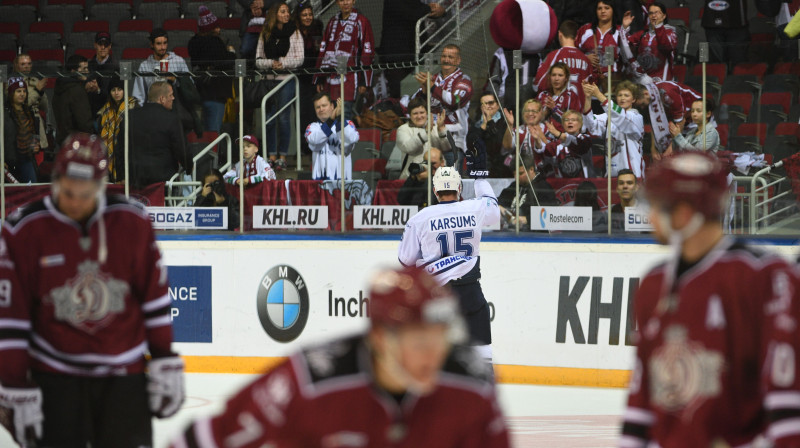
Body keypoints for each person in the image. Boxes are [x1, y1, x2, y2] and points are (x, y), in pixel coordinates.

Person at [170, 265, 509, 448]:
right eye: (419, 343)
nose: (434, 356)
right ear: (379, 338)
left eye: (441, 340)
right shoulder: (309, 380)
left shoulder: (473, 387)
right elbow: (208, 437)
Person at [0, 133, 184, 448]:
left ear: (102, 186)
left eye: (86, 195)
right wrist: (14, 384)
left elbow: (154, 301)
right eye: (69, 193)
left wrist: (165, 357)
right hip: (54, 380)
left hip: (124, 378)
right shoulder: (22, 231)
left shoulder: (133, 223)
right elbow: (12, 320)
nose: (75, 203)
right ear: (55, 180)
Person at [619, 151, 800, 446]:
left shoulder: (762, 276)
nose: (649, 216)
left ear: (685, 213)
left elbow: (787, 405)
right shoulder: (652, 284)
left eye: (657, 206)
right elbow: (642, 401)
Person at [398, 139, 500, 362]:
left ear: (435, 190)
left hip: (438, 295)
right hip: (471, 293)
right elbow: (494, 211)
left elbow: (405, 260)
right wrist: (480, 177)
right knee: (483, 358)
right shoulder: (474, 208)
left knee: (437, 359)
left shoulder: (419, 219)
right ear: (460, 188)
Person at [256, 1, 304, 171]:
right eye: (282, 11)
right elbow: (258, 60)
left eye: (287, 12)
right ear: (274, 14)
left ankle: (282, 157)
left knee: (283, 118)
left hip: (287, 80)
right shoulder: (265, 33)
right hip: (269, 81)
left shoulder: (295, 32)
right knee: (269, 119)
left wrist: (282, 63)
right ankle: (271, 155)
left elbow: (300, 59)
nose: (286, 14)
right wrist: (271, 63)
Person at [119, 81, 191, 188]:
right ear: (162, 99)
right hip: (163, 183)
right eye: (170, 95)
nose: (173, 98)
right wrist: (188, 166)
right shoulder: (172, 119)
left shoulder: (130, 117)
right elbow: (181, 149)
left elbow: (120, 148)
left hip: (134, 181)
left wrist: (121, 176)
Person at [314, 0, 375, 122]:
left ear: (353, 1)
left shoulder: (362, 21)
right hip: (330, 79)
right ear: (337, 2)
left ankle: (345, 140)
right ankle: (332, 141)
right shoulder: (332, 21)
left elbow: (367, 52)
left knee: (344, 116)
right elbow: (324, 49)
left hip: (350, 78)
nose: (345, 3)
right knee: (329, 116)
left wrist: (364, 81)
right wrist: (320, 77)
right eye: (342, 0)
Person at [413, 44, 473, 168]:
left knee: (451, 182)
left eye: (450, 57)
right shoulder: (433, 79)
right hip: (430, 140)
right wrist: (423, 92)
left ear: (458, 60)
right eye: (444, 56)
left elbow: (454, 101)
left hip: (452, 142)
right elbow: (414, 104)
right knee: (429, 182)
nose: (446, 60)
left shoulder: (464, 80)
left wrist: (432, 87)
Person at [379, 0, 445, 99]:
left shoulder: (414, 2)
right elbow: (412, 13)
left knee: (419, 96)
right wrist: (429, 8)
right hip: (396, 57)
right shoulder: (393, 2)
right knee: (398, 95)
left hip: (415, 54)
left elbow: (419, 9)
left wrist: (441, 11)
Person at [188, 5, 238, 134]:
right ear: (210, 29)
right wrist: (231, 51)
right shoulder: (214, 43)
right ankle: (212, 154)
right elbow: (227, 61)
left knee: (204, 130)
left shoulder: (193, 42)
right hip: (216, 93)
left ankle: (206, 153)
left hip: (201, 92)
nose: (219, 29)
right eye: (216, 27)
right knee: (213, 132)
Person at [582, 80, 645, 178]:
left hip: (632, 174)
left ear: (633, 99)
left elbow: (620, 116)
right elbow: (590, 124)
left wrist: (599, 95)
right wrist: (588, 97)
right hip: (612, 174)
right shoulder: (608, 117)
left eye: (626, 95)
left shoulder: (636, 117)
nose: (622, 98)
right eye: (620, 95)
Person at [635, 79, 702, 160]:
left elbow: (680, 121)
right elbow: (654, 124)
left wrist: (671, 148)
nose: (642, 107)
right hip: (681, 121)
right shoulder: (650, 95)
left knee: (695, 156)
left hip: (698, 115)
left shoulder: (667, 93)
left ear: (645, 93)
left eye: (642, 104)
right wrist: (653, 149)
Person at [532, 20, 592, 103]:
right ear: (577, 36)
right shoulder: (586, 59)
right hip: (579, 112)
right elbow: (591, 87)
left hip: (558, 109)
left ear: (559, 34)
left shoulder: (554, 56)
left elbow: (537, 84)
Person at [305, 92, 358, 180]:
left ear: (332, 106)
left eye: (324, 105)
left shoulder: (348, 124)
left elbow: (351, 140)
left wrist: (340, 119)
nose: (321, 109)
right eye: (318, 107)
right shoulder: (312, 127)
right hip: (320, 182)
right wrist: (331, 120)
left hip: (343, 182)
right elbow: (315, 140)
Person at [620, 2, 678, 82]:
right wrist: (624, 28)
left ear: (664, 16)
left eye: (657, 13)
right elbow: (625, 48)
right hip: (643, 82)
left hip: (663, 83)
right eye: (651, 13)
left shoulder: (670, 33)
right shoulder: (642, 34)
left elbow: (666, 47)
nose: (654, 15)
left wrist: (658, 27)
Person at [132, 28, 191, 107]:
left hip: (175, 107)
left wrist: (175, 80)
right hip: (153, 109)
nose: (163, 47)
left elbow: (190, 85)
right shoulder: (144, 66)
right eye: (159, 44)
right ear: (152, 44)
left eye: (165, 43)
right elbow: (139, 94)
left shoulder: (178, 61)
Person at [497, 154, 557, 230]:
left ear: (531, 170)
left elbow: (550, 215)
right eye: (514, 174)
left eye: (520, 173)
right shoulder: (514, 185)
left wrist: (527, 220)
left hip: (532, 235)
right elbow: (501, 201)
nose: (516, 177)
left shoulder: (543, 188)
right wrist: (500, 208)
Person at [294, 2, 324, 154]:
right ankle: (304, 148)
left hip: (315, 79)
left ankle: (317, 146)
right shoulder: (294, 31)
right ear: (299, 17)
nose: (308, 18)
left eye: (310, 14)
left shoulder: (318, 29)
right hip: (299, 80)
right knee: (302, 114)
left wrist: (320, 78)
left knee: (316, 113)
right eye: (304, 15)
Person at [396, 97, 450, 179]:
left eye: (422, 112)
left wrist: (441, 129)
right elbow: (408, 147)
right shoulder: (403, 129)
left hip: (436, 176)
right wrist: (426, 132)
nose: (419, 116)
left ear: (427, 113)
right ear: (410, 115)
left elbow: (447, 148)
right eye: (415, 113)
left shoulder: (434, 128)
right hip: (412, 177)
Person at [4, 77, 44, 183]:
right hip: (9, 161)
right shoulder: (4, 114)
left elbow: (33, 134)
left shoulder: (29, 112)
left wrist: (35, 145)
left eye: (24, 91)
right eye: (18, 91)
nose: (22, 94)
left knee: (31, 191)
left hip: (27, 158)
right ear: (11, 93)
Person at [97, 76, 137, 182]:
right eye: (113, 90)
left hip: (128, 150)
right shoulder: (105, 110)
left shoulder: (133, 106)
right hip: (111, 153)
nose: (116, 93)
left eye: (119, 89)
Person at [52, 55, 95, 145]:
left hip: (63, 140)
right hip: (78, 142)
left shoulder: (60, 87)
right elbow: (84, 122)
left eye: (87, 68)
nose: (87, 71)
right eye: (84, 69)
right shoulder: (77, 90)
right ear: (73, 71)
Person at [502, 99, 553, 173]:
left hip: (543, 173)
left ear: (540, 113)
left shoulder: (548, 129)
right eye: (527, 111)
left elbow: (550, 152)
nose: (530, 114)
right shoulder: (518, 130)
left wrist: (539, 134)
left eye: (534, 111)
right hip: (521, 173)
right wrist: (510, 125)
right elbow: (507, 146)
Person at [576, 0, 621, 80]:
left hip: (609, 81)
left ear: (613, 10)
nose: (603, 11)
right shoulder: (585, 30)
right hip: (586, 78)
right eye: (599, 8)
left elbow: (626, 58)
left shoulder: (620, 32)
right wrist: (585, 58)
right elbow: (573, 51)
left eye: (606, 8)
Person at [540, 110, 592, 178]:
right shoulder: (556, 144)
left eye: (573, 120)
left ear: (580, 124)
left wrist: (558, 134)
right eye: (566, 120)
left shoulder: (586, 139)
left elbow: (579, 146)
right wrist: (538, 139)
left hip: (584, 186)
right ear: (563, 124)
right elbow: (543, 156)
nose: (570, 122)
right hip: (564, 186)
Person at [469, 92, 510, 178]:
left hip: (500, 168)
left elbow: (499, 143)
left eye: (491, 103)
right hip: (480, 167)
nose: (488, 106)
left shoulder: (505, 122)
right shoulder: (476, 123)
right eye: (484, 104)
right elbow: (471, 144)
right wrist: (483, 125)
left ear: (498, 105)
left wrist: (490, 121)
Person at [702, 0, 749, 69]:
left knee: (738, 63)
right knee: (717, 65)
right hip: (712, 23)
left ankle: (736, 79)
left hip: (736, 24)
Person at [11, 54, 52, 131]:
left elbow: (45, 107)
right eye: (23, 64)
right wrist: (37, 91)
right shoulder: (12, 82)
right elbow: (21, 105)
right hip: (20, 120)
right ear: (16, 65)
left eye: (29, 64)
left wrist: (41, 92)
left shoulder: (35, 80)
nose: (26, 66)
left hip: (36, 120)